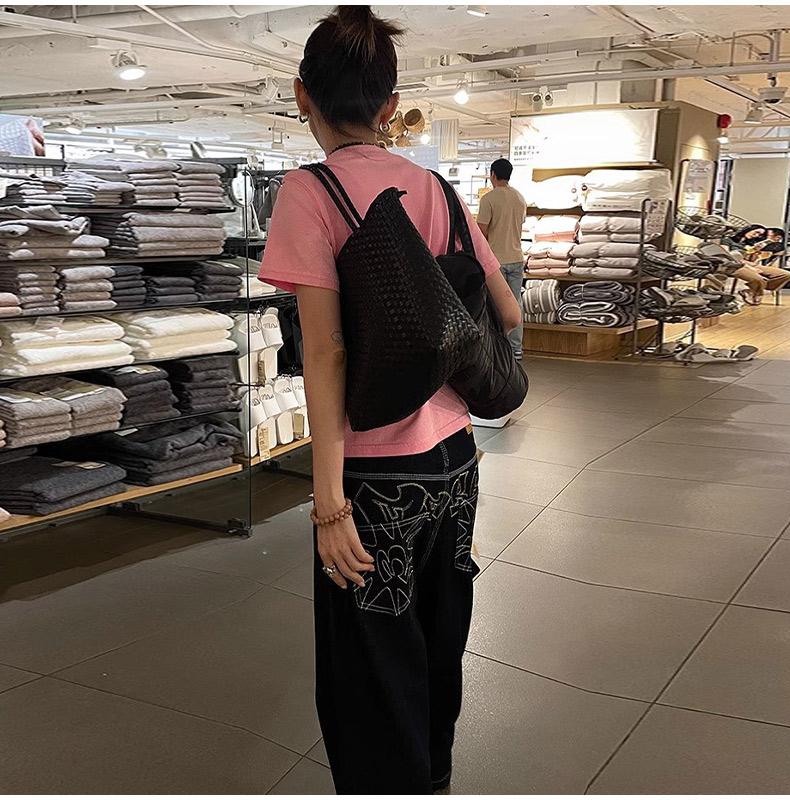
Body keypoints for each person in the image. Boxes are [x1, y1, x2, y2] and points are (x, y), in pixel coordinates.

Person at [258, 6, 521, 794]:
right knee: (439, 646)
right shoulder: (435, 187)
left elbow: (326, 352)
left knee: (369, 672)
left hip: (373, 476)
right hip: (455, 459)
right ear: (389, 104)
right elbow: (507, 312)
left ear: (302, 95)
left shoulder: (310, 192)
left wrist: (327, 503)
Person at [477, 158, 528, 359]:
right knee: (515, 304)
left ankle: (496, 349)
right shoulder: (519, 198)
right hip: (516, 258)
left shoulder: (488, 199)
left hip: (495, 261)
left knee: (493, 305)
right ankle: (515, 349)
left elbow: (481, 232)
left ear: (493, 175)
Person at [730, 224, 790, 305]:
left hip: (750, 264)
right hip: (735, 265)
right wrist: (750, 268)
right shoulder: (728, 240)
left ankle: (751, 291)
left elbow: (752, 261)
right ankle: (757, 293)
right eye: (756, 232)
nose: (756, 235)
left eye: (759, 235)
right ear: (749, 229)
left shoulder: (749, 243)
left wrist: (755, 251)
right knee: (760, 279)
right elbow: (727, 256)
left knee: (786, 275)